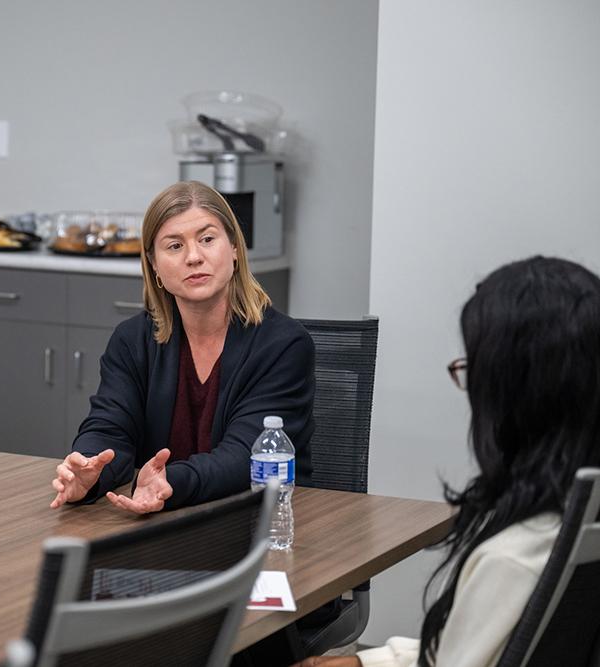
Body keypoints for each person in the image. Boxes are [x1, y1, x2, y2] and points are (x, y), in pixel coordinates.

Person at [293, 256, 600, 667]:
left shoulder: (511, 560)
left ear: (518, 392)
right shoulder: (571, 516)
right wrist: (366, 662)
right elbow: (472, 650)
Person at [50, 181, 315, 514]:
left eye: (207, 239)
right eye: (174, 246)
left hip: (266, 522)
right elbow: (109, 427)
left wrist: (170, 482)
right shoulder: (132, 341)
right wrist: (89, 469)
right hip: (164, 523)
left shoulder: (283, 344)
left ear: (234, 248)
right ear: (155, 265)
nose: (193, 257)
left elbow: (246, 456)